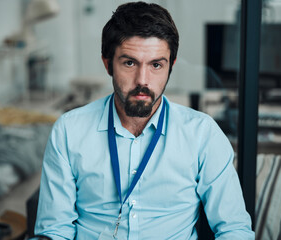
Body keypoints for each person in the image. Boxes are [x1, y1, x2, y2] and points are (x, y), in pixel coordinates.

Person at [34, 2, 255, 239]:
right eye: (129, 63)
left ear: (170, 67)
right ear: (108, 64)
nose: (143, 80)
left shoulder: (202, 134)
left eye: (156, 65)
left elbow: (233, 229)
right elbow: (55, 230)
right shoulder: (69, 131)